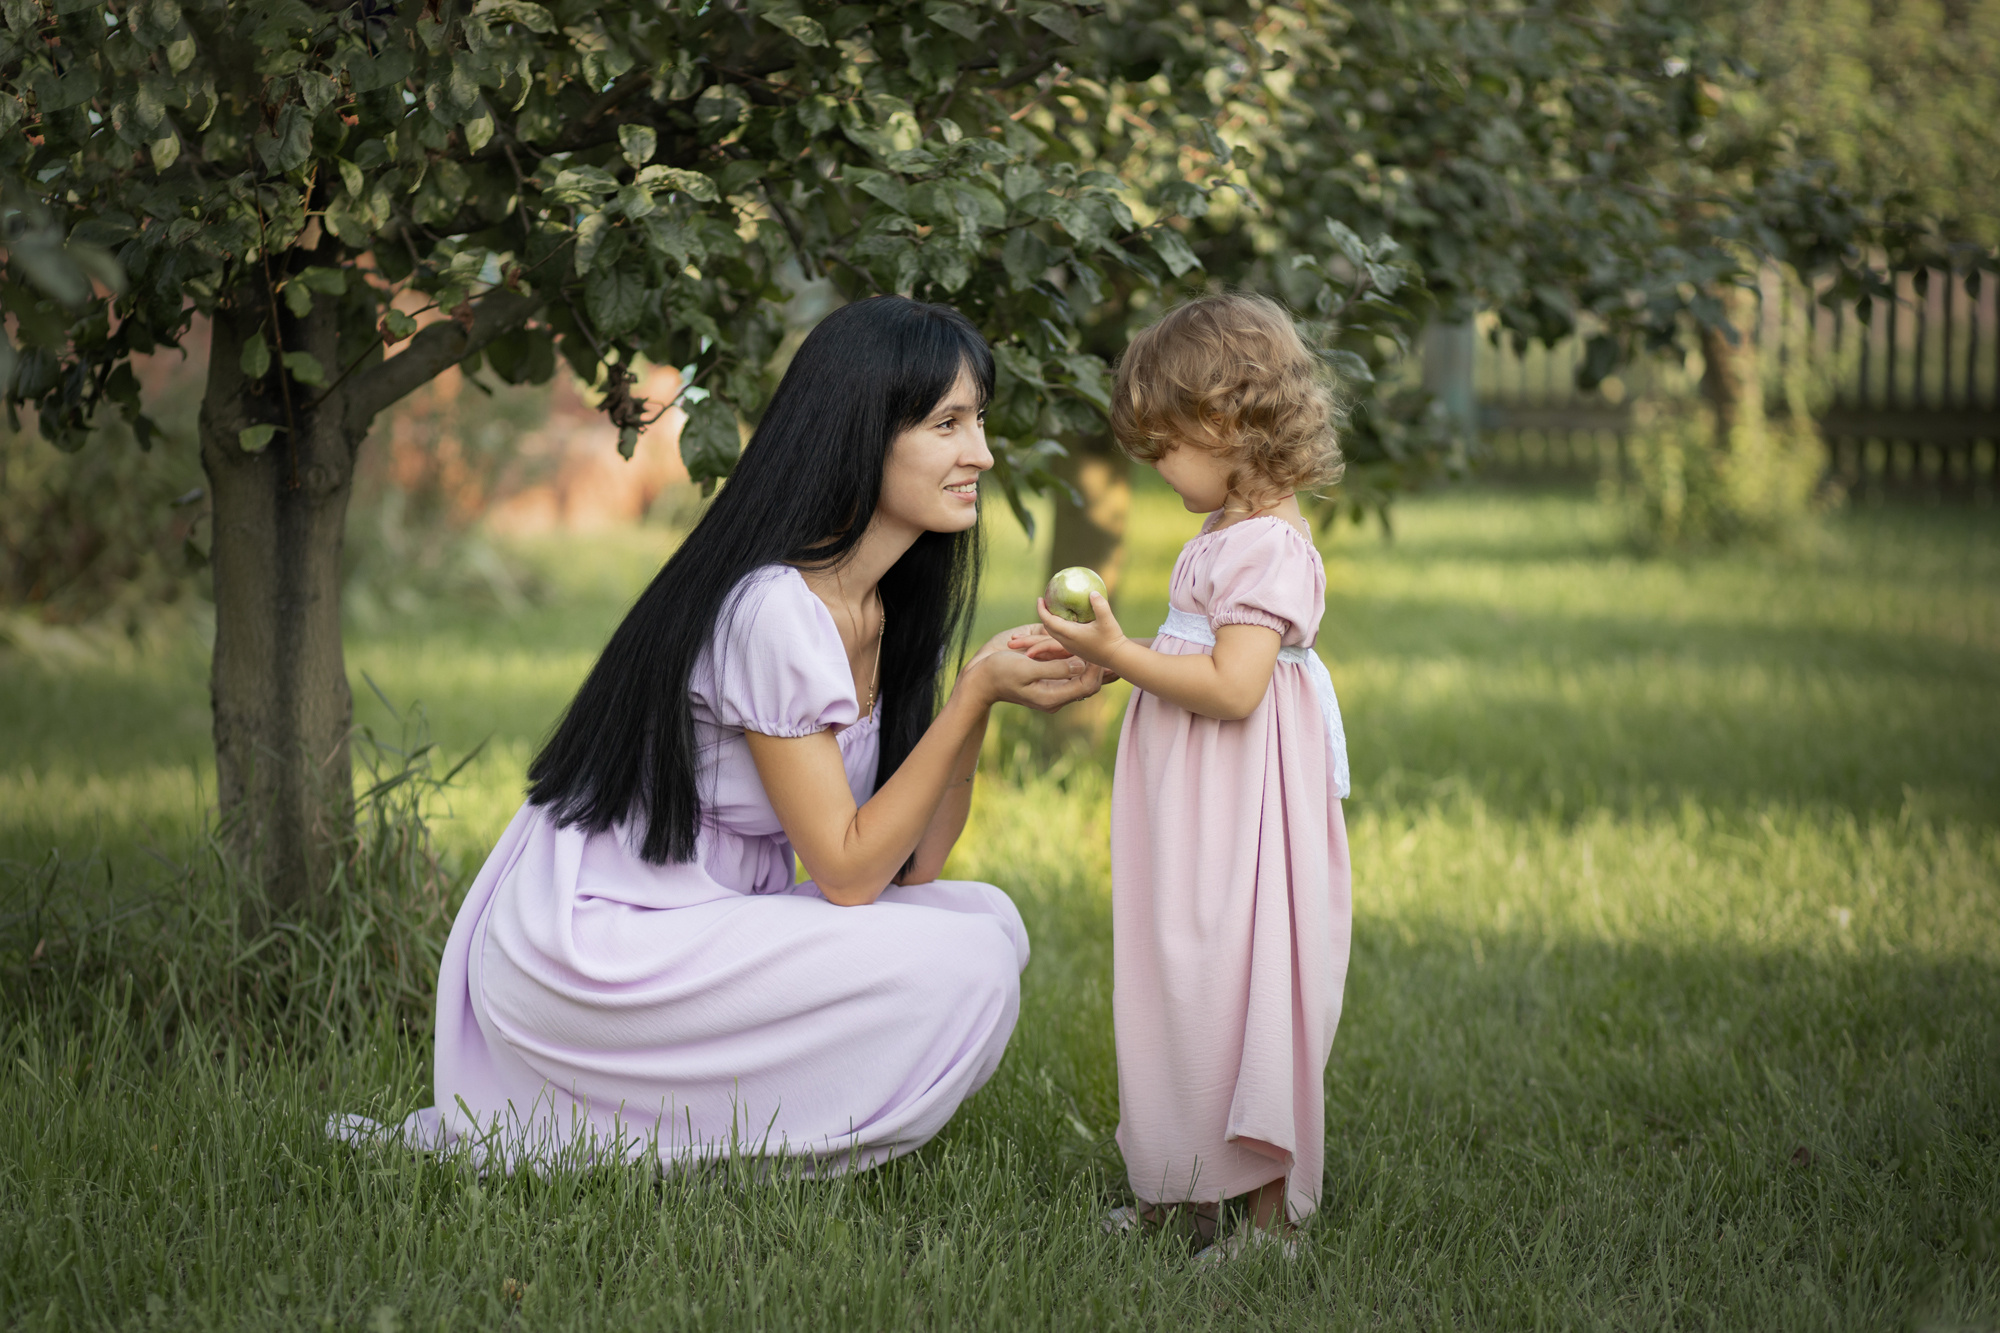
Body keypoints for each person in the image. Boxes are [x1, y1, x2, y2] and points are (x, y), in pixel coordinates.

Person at [333, 297, 1109, 1172]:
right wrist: (973, 695)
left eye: (979, 421)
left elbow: (912, 865)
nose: (982, 452)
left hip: (707, 922)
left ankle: (745, 1126)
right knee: (964, 959)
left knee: (990, 922)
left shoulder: (884, 606)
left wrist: (978, 708)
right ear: (863, 434)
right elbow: (849, 874)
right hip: (598, 947)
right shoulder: (773, 608)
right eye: (949, 423)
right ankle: (753, 1146)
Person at [1017, 293, 1353, 1260]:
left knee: (1242, 983)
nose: (1153, 468)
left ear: (1224, 421)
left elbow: (1234, 687)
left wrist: (1121, 653)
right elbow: (1197, 657)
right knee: (1180, 982)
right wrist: (1118, 657)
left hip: (1241, 822)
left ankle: (1261, 1221)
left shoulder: (1269, 546)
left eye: (1163, 447)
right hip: (1199, 813)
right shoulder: (1229, 531)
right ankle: (1181, 1186)